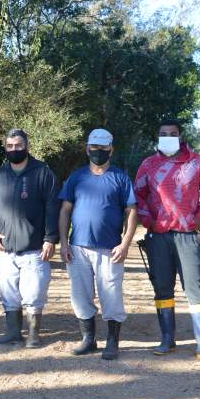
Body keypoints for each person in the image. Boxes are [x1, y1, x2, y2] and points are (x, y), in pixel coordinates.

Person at [134, 118, 200, 364]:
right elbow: (138, 194)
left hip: (188, 234)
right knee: (162, 285)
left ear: (181, 135)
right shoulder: (148, 165)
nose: (168, 137)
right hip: (158, 236)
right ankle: (167, 338)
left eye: (173, 133)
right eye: (163, 133)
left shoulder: (197, 162)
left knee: (196, 287)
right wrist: (148, 220)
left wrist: (198, 218)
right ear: (158, 137)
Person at [59, 129, 138, 360]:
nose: (98, 152)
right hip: (78, 248)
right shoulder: (77, 177)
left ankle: (112, 342)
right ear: (87, 149)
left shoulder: (121, 178)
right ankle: (88, 339)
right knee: (80, 295)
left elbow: (132, 211)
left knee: (111, 295)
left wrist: (125, 243)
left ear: (111, 150)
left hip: (110, 248)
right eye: (94, 148)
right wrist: (64, 243)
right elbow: (65, 210)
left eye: (103, 149)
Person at [0, 128, 60, 348]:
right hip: (6, 249)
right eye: (10, 146)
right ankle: (13, 332)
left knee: (34, 292)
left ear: (27, 146)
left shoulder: (43, 173)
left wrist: (50, 238)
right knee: (8, 293)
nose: (14, 150)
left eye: (18, 146)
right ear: (5, 148)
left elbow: (53, 208)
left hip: (35, 248)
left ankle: (34, 334)